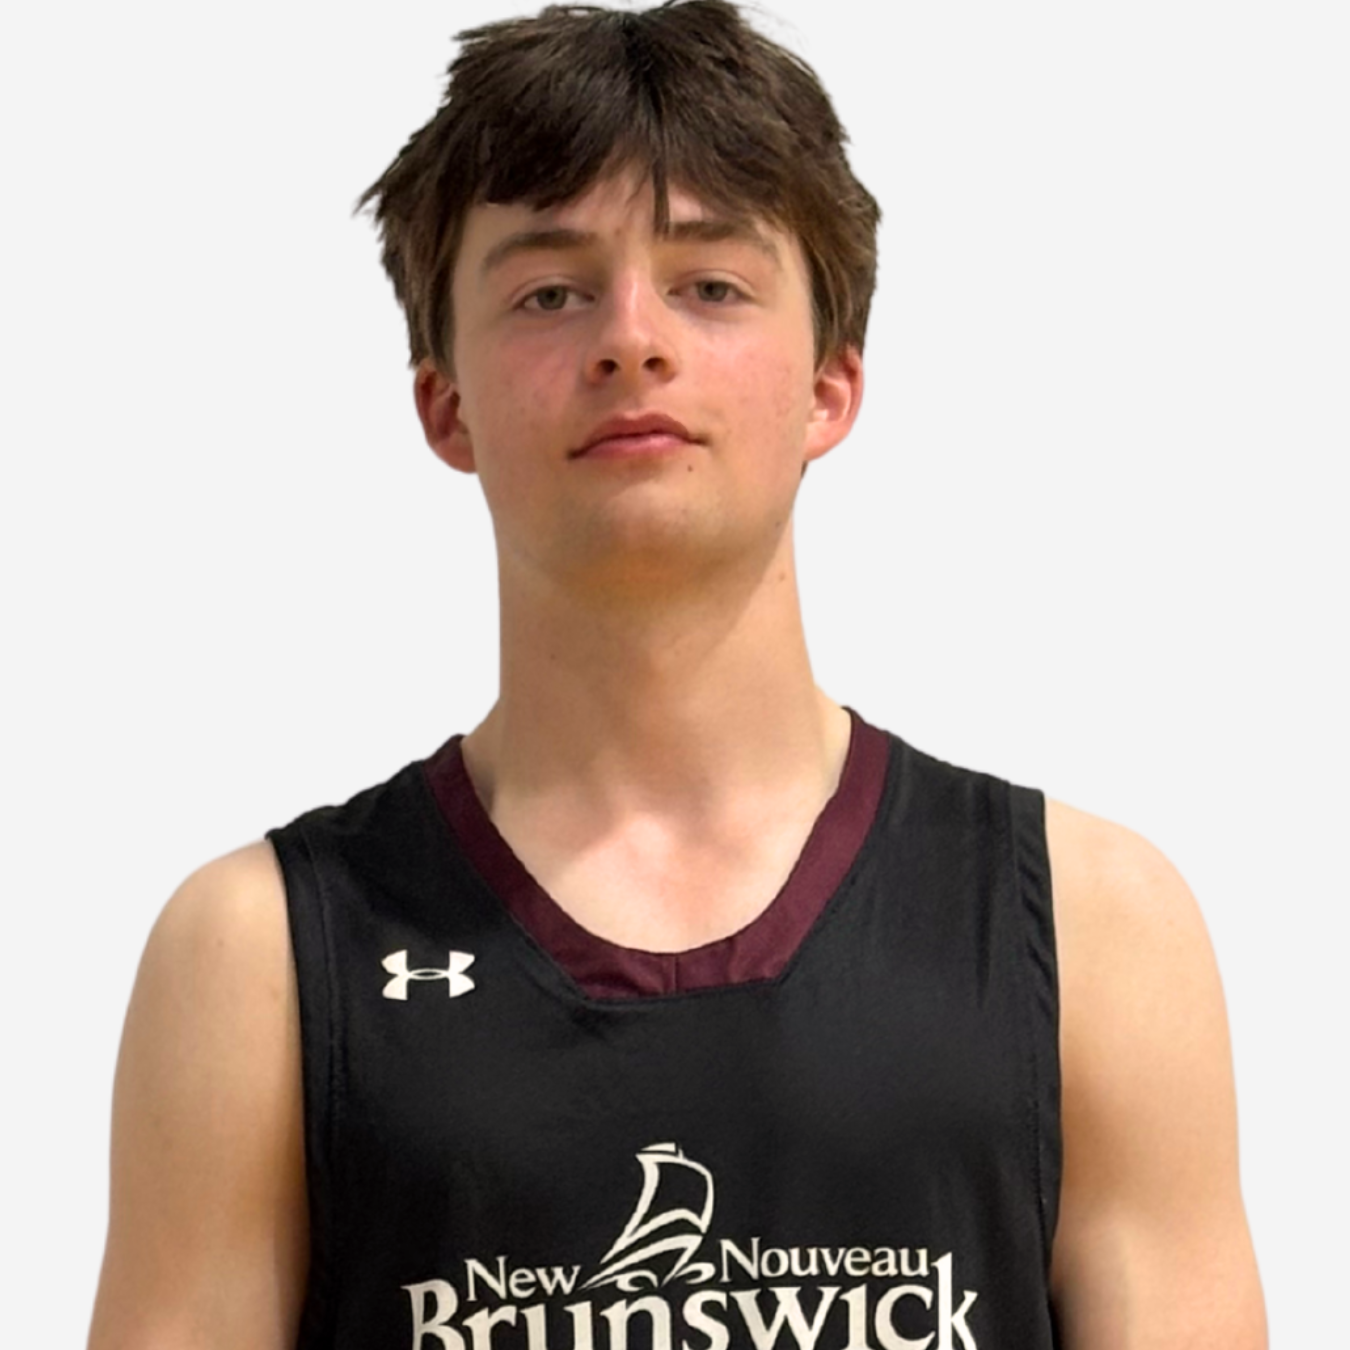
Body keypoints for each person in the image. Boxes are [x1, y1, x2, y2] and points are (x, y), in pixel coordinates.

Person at [87, 2, 1265, 1346]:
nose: (632, 339)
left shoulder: (1092, 927)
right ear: (445, 403)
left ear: (829, 384)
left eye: (710, 285)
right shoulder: (259, 959)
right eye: (550, 292)